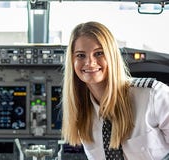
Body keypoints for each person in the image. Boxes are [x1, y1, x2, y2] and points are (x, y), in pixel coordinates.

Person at [61, 21, 169, 160]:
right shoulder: (81, 112)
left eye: (99, 53)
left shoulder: (154, 95)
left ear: (112, 56)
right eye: (81, 55)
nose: (89, 62)